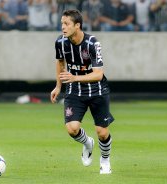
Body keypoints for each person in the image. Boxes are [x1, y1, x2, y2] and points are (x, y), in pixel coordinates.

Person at [50, 9, 114, 174]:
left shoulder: (92, 43)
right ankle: (87, 143)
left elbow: (98, 74)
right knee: (72, 128)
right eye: (62, 23)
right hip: (74, 90)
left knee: (102, 132)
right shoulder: (60, 42)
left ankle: (105, 160)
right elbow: (60, 62)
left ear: (77, 25)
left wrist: (75, 77)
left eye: (66, 24)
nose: (63, 27)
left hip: (97, 90)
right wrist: (58, 86)